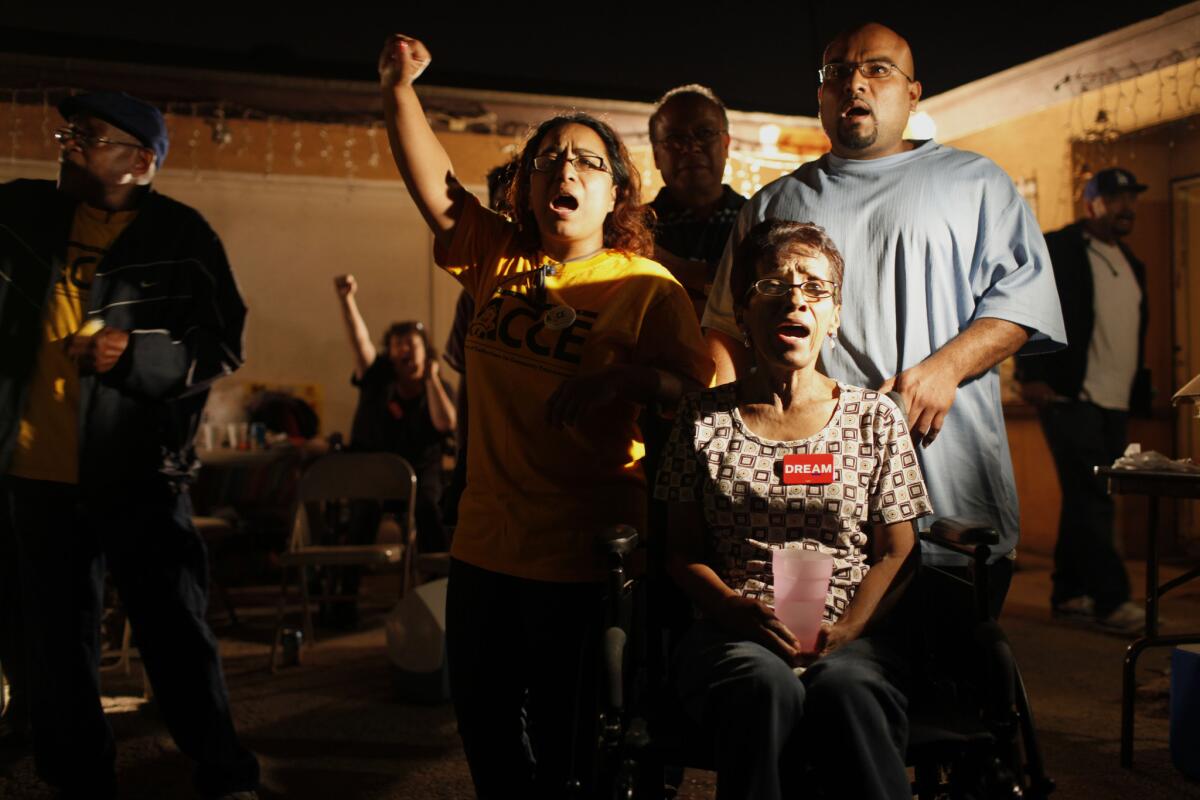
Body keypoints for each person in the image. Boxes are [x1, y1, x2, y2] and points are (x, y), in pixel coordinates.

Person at [380, 34, 713, 797]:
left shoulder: (645, 285)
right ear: (526, 187)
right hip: (485, 540)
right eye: (550, 160)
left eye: (590, 161)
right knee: (487, 729)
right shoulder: (498, 258)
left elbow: (699, 400)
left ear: (617, 194)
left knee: (576, 742)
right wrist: (399, 90)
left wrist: (629, 378)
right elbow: (434, 187)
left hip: (586, 548)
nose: (567, 169)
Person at [702, 22, 1067, 612]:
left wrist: (945, 369)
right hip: (807, 506)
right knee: (817, 673)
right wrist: (712, 441)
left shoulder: (974, 184)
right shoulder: (773, 204)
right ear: (820, 94)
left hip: (947, 490)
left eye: (877, 69)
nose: (856, 84)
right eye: (838, 73)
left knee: (949, 683)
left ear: (913, 93)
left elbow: (1023, 303)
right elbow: (725, 330)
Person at [0, 91, 259, 799]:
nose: (69, 143)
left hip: (136, 470)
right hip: (35, 474)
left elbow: (223, 344)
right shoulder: (19, 213)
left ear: (141, 161)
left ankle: (222, 771)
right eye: (71, 132)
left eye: (89, 135)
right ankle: (77, 779)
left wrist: (134, 353)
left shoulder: (182, 235)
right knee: (56, 645)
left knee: (172, 630)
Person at [658, 219, 929, 800]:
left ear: (833, 318)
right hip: (735, 631)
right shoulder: (701, 419)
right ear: (742, 310)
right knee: (762, 684)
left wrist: (852, 626)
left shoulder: (874, 419)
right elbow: (679, 552)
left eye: (814, 288)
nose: (794, 300)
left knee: (849, 689)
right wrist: (734, 610)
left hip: (850, 632)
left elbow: (899, 549)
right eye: (773, 286)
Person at [1016, 167, 1151, 633]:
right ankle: (1111, 600)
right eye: (1114, 199)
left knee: (1083, 498)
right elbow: (1027, 308)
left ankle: (1069, 593)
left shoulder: (1131, 263)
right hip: (1069, 397)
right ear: (1091, 203)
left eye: (1130, 199)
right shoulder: (1063, 249)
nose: (1125, 208)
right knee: (1095, 497)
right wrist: (1030, 373)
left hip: (1115, 400)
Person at [333, 275, 456, 624]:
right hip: (373, 476)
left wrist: (431, 378)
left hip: (421, 476)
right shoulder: (379, 380)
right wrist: (346, 300)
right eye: (397, 344)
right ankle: (342, 603)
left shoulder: (438, 385)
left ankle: (438, 595)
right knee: (360, 520)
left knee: (431, 511)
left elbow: (447, 424)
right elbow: (359, 343)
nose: (404, 350)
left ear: (424, 349)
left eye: (411, 344)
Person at [441, 160, 518, 527]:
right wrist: (463, 456)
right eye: (500, 207)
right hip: (488, 457)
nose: (510, 216)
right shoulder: (476, 291)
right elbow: (466, 382)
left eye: (516, 204)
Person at [647, 84, 746, 321]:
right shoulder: (633, 225)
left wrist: (666, 263)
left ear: (726, 144)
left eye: (704, 133)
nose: (691, 147)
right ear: (656, 155)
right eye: (675, 138)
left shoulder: (756, 219)